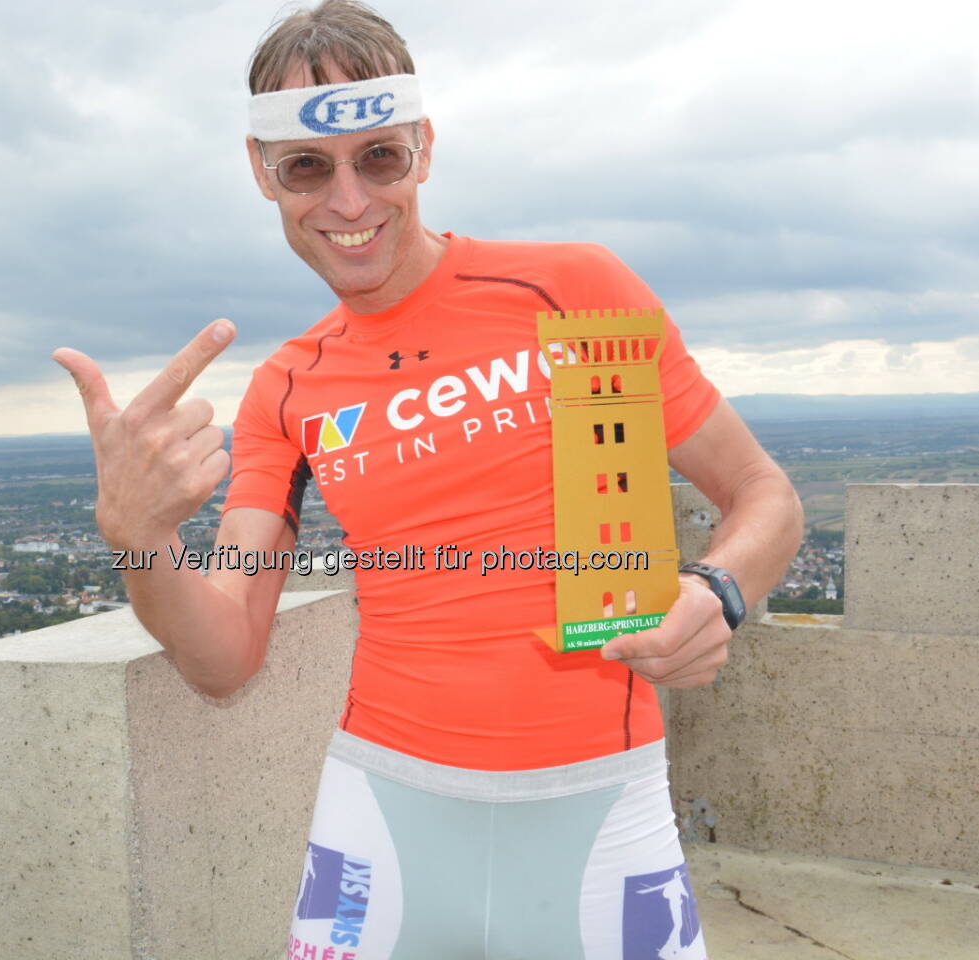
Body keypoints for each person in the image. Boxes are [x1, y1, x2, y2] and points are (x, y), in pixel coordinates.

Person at [54, 2, 803, 957]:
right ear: (264, 175)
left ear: (425, 146)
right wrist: (139, 539)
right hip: (381, 805)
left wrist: (721, 588)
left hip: (600, 803)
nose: (351, 202)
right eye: (309, 168)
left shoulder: (568, 289)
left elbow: (763, 496)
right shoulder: (288, 386)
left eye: (381, 158)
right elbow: (223, 653)